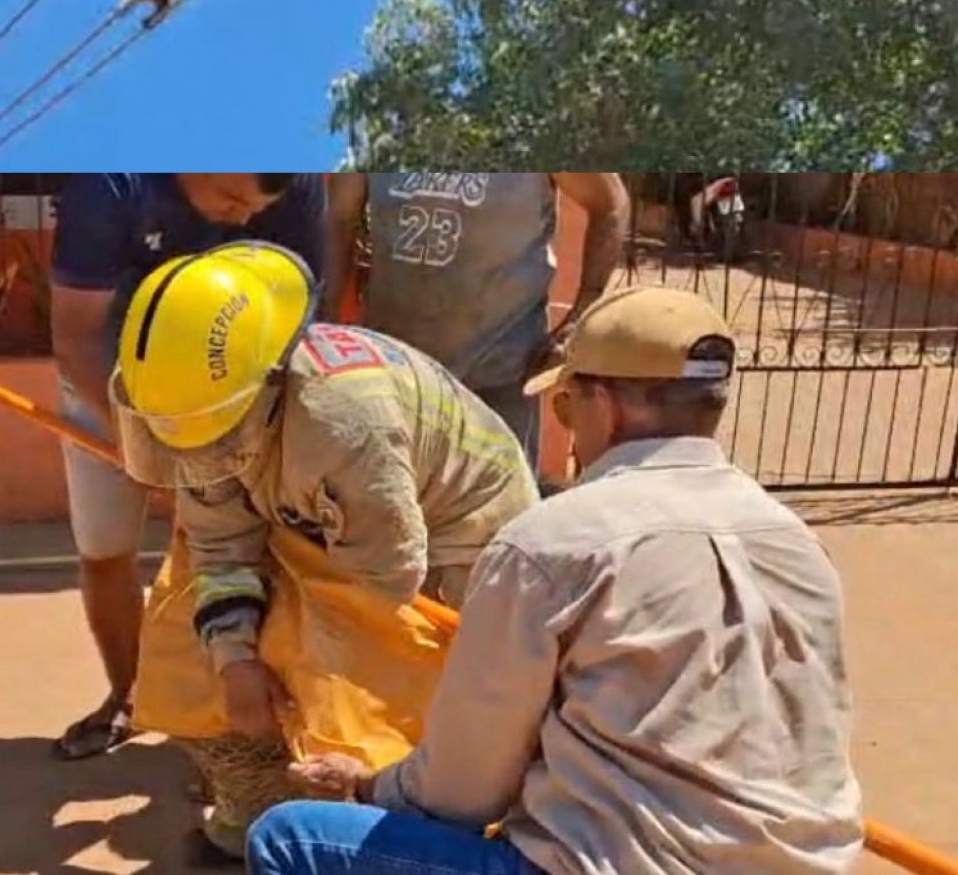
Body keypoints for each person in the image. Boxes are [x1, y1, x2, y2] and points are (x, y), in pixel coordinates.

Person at [247, 283, 865, 875]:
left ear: (605, 402)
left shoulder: (552, 542)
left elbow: (461, 795)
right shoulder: (798, 545)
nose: (565, 423)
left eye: (565, 402)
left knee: (292, 837)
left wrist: (364, 784)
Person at [113, 241, 539, 857]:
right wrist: (234, 660)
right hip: (316, 527)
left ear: (269, 388)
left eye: (213, 440)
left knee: (362, 684)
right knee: (183, 626)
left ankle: (401, 834)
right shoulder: (203, 403)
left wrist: (284, 638)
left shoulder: (342, 423)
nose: (194, 460)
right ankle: (259, 799)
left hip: (451, 545)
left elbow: (388, 580)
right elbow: (216, 538)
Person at [49, 173, 327, 760]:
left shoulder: (294, 181)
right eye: (231, 200)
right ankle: (129, 695)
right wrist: (138, 438)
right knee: (104, 550)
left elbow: (299, 310)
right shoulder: (109, 185)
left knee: (247, 552)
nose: (245, 219)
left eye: (258, 209)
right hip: (110, 380)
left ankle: (228, 721)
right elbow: (77, 339)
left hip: (235, 397)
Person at [325, 173, 629, 466]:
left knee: (496, 513)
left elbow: (609, 204)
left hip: (497, 382)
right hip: (393, 377)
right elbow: (339, 218)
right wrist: (324, 327)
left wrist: (579, 320)